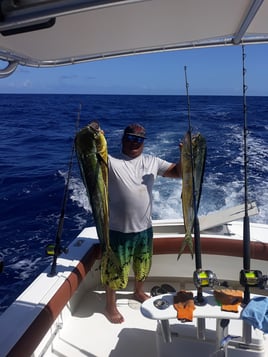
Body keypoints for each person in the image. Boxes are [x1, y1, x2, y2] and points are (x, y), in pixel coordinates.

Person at [102, 123, 182, 323]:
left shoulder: (152, 161)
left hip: (145, 229)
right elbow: (90, 159)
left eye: (138, 140)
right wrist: (96, 139)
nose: (133, 143)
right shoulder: (109, 161)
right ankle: (110, 305)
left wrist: (187, 155)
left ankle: (138, 291)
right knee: (115, 270)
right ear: (122, 139)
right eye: (129, 138)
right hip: (118, 231)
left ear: (144, 143)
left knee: (143, 265)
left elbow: (179, 172)